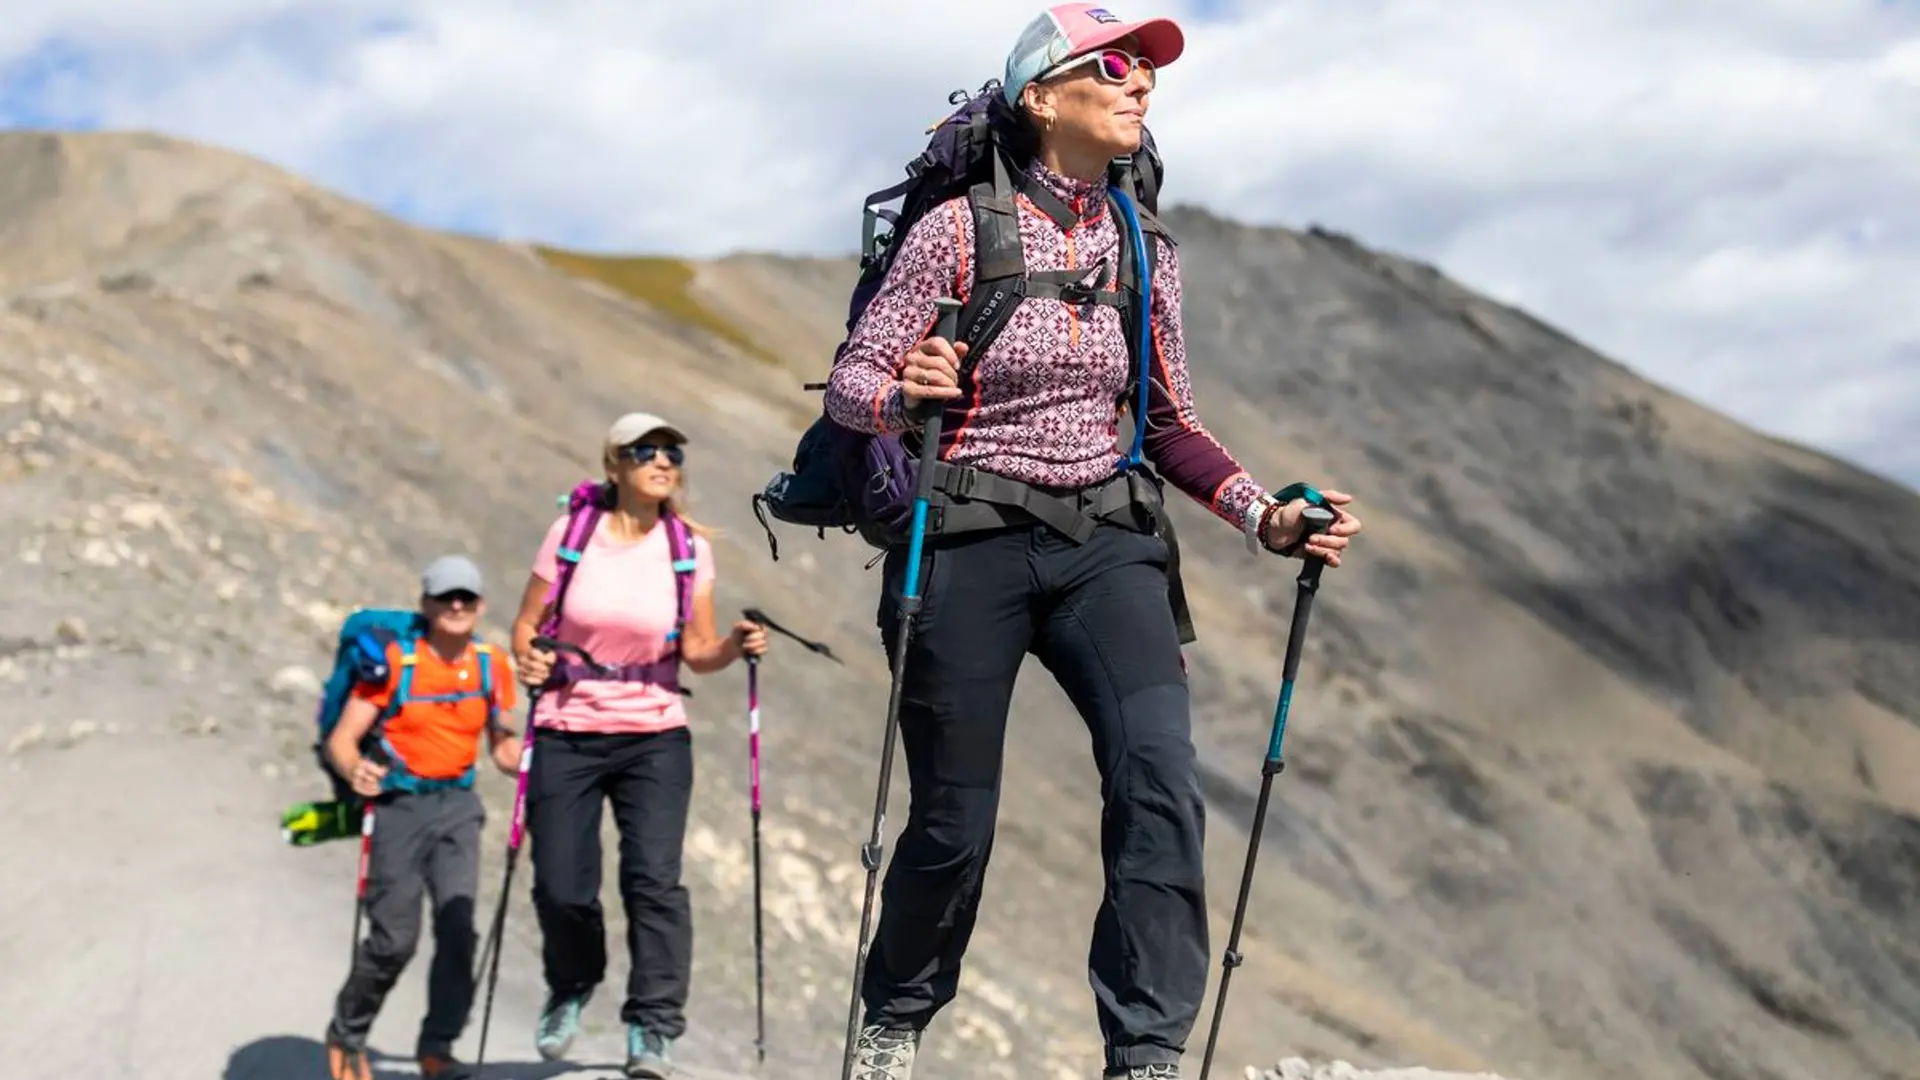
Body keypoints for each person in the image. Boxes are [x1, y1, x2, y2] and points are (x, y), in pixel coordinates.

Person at [822, 5, 1365, 1079]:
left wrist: (1267, 516)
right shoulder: (954, 232)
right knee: (955, 819)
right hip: (966, 537)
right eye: (1113, 65)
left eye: (1148, 69)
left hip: (1105, 540)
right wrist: (902, 396)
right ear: (1040, 96)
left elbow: (1171, 425)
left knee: (1159, 780)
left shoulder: (1142, 247)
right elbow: (851, 384)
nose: (1140, 82)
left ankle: (1146, 1050)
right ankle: (895, 1016)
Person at [509, 411, 770, 1080]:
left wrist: (733, 646)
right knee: (561, 887)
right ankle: (572, 983)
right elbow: (527, 626)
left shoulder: (689, 549)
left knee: (653, 881)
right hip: (566, 727)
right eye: (645, 450)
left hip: (654, 734)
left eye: (672, 453)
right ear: (613, 465)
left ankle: (653, 1026)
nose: (662, 461)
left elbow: (697, 651)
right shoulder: (571, 535)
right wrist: (529, 659)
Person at [322, 555, 522, 1080]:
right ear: (426, 605)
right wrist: (354, 769)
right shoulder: (396, 664)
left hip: (458, 806)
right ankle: (347, 1034)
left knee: (459, 933)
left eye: (466, 597)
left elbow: (502, 747)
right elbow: (343, 740)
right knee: (394, 939)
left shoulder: (492, 665)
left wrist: (535, 765)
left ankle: (438, 1048)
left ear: (480, 605)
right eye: (446, 597)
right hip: (399, 807)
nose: (457, 606)